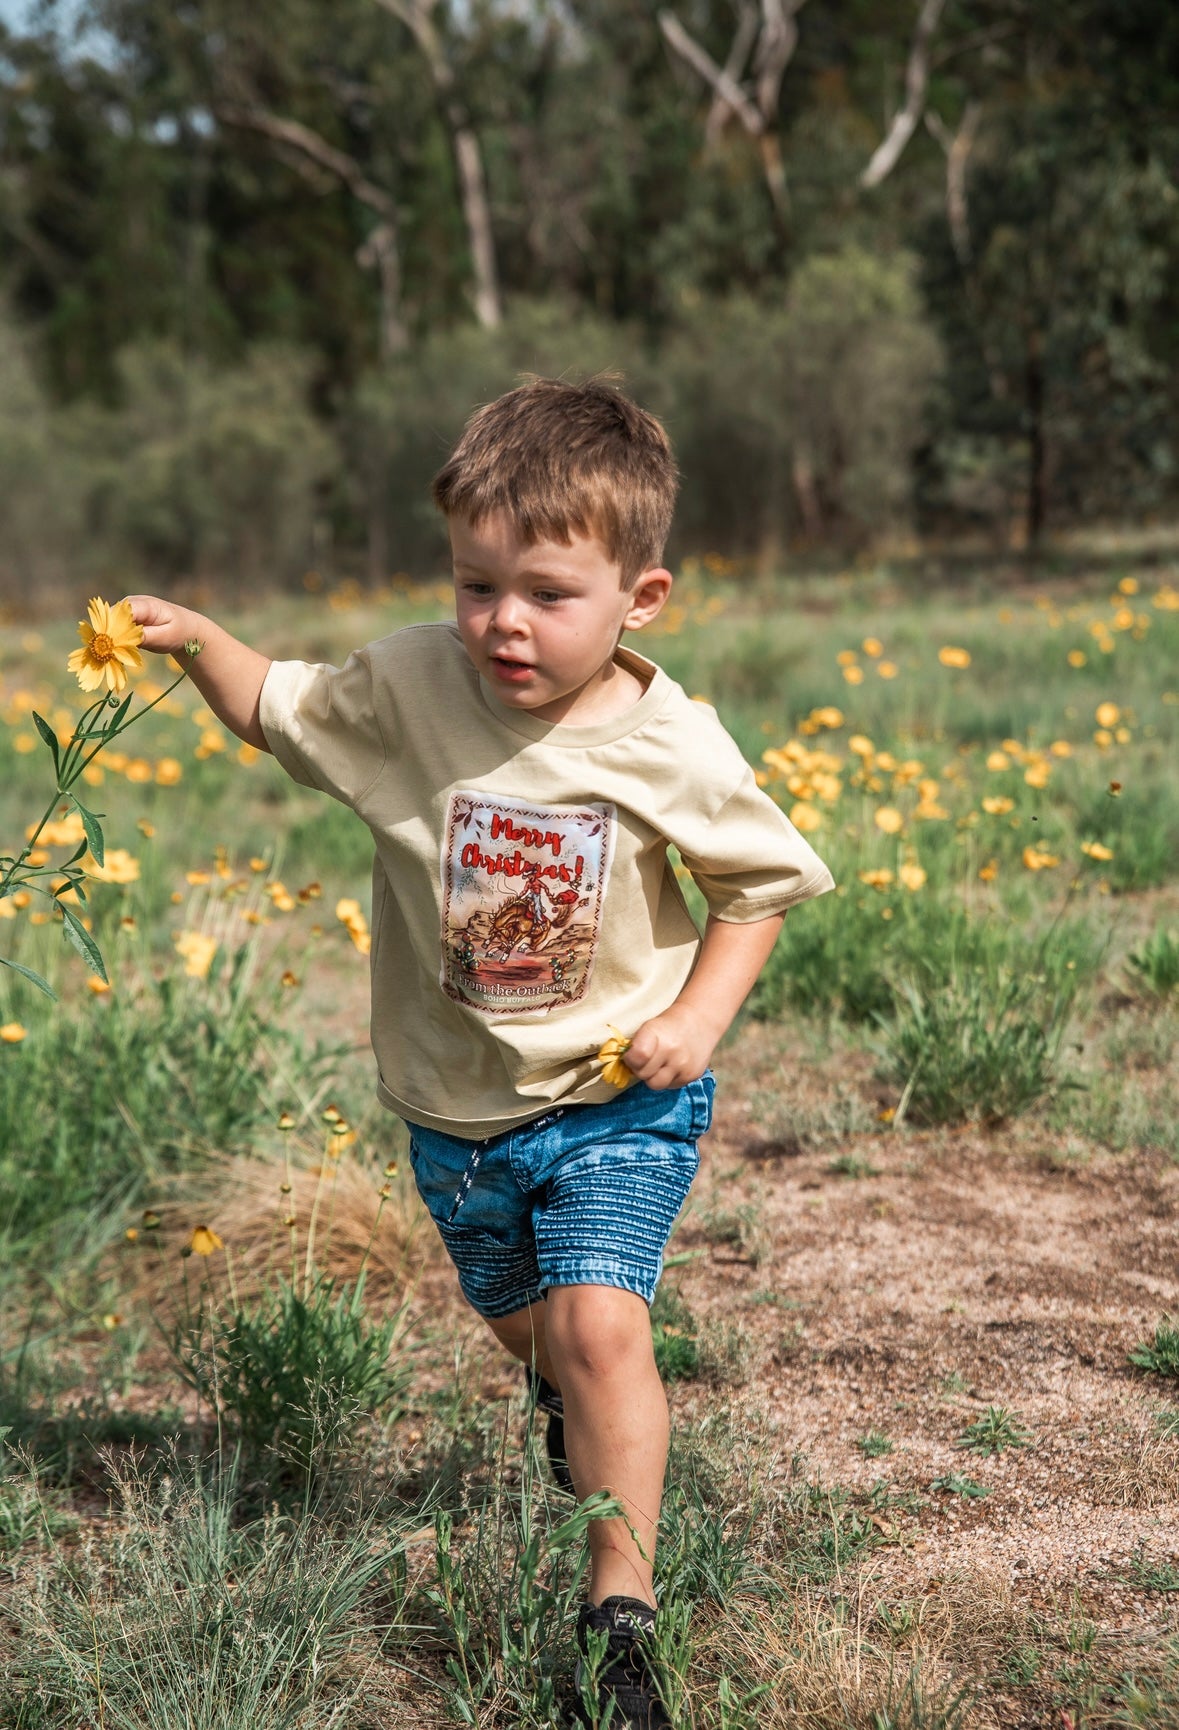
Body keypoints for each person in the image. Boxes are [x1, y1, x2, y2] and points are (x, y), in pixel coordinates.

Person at [126, 376, 834, 1728]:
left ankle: (618, 1617)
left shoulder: (666, 739)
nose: (502, 620)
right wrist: (200, 638)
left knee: (598, 1322)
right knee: (533, 1330)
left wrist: (696, 1017)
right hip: (455, 1113)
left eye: (547, 593)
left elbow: (761, 887)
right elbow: (275, 707)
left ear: (642, 597)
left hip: (616, 1095)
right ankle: (569, 1398)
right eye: (474, 583)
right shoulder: (404, 685)